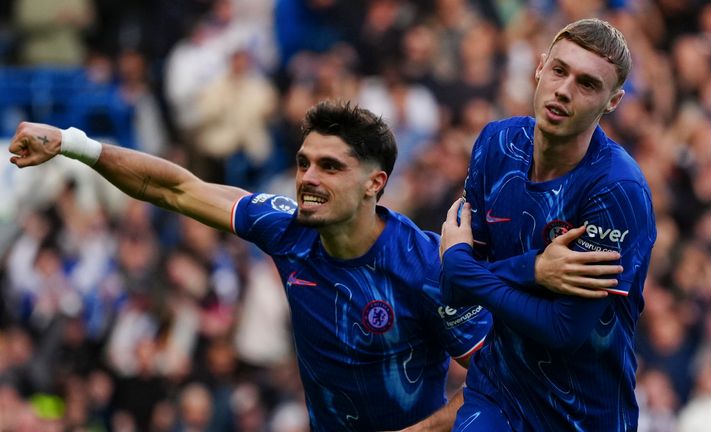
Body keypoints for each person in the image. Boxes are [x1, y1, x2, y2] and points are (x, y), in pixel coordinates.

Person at [8, 101, 492, 432]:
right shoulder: (288, 229)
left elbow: (496, 380)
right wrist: (74, 144)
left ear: (374, 183)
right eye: (304, 163)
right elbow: (175, 189)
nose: (308, 178)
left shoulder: (429, 264)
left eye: (330, 166)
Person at [439, 18, 657, 431]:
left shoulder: (617, 190)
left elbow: (562, 329)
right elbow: (455, 287)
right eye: (559, 70)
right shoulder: (495, 145)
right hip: (498, 395)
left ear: (613, 101)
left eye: (587, 84)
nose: (564, 90)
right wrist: (533, 269)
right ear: (540, 68)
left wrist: (467, 268)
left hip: (583, 414)